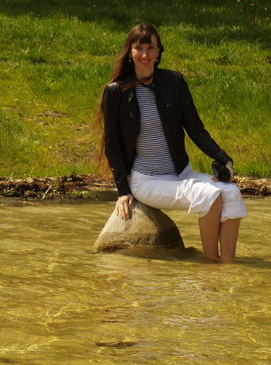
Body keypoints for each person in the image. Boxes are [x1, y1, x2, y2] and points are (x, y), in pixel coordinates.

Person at [99, 23, 247, 263]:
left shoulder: (174, 82)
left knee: (231, 191)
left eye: (151, 47)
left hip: (181, 173)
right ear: (129, 52)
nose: (145, 54)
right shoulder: (116, 91)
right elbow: (112, 145)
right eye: (139, 48)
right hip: (147, 180)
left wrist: (223, 157)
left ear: (159, 52)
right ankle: (210, 266)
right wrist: (123, 191)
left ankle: (228, 268)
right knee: (209, 195)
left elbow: (195, 128)